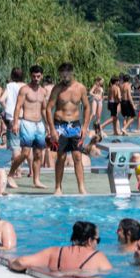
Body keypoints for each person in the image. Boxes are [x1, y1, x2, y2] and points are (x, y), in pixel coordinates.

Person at [45, 63, 93, 195]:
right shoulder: (57, 89)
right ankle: (58, 187)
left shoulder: (80, 88)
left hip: (75, 126)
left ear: (72, 72)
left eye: (66, 73)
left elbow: (87, 107)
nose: (64, 76)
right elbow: (48, 108)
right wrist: (52, 129)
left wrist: (85, 127)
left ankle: (81, 188)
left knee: (77, 157)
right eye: (62, 74)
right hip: (59, 126)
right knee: (61, 157)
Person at [9, 221, 111, 275]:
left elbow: (21, 262)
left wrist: (11, 262)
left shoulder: (54, 252)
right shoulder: (97, 257)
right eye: (97, 240)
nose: (97, 243)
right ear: (89, 240)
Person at [8, 65, 48, 189]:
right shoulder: (25, 89)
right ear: (31, 75)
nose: (36, 78)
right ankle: (10, 175)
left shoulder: (43, 91)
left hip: (39, 124)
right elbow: (18, 107)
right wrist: (15, 123)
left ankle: (36, 180)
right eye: (34, 76)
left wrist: (48, 125)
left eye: (38, 76)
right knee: (25, 153)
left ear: (41, 76)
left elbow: (44, 109)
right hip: (27, 123)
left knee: (38, 154)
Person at [0, 67, 24, 158]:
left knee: (15, 147)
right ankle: (29, 167)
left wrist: (7, 110)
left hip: (13, 119)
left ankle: (17, 167)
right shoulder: (26, 86)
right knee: (26, 146)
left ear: (12, 75)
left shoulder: (10, 86)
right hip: (25, 118)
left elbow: (1, 100)